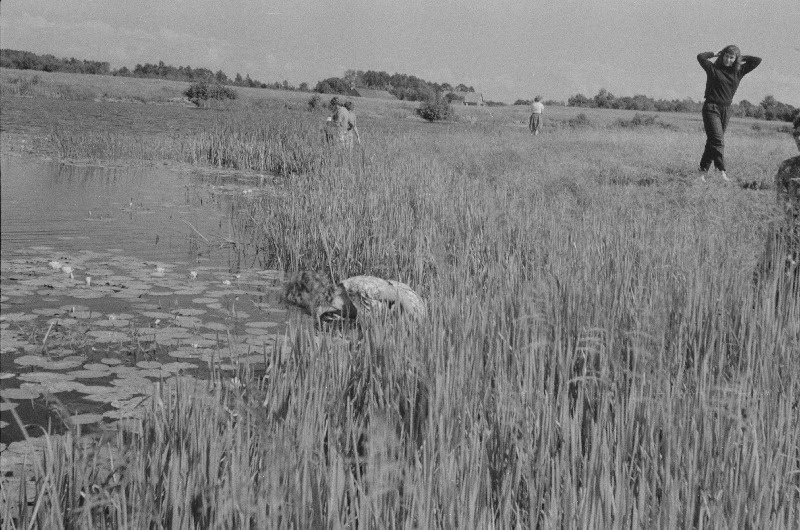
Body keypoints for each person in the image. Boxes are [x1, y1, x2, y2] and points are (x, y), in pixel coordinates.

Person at [696, 45, 761, 182]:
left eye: (732, 57)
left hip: (726, 110)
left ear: (735, 59)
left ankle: (701, 174)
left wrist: (740, 57)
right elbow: (701, 57)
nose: (728, 59)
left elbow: (757, 60)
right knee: (718, 141)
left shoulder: (739, 71)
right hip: (711, 108)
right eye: (726, 56)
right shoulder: (713, 68)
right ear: (722, 55)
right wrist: (714, 53)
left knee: (712, 142)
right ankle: (721, 171)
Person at [757, 114, 800, 298]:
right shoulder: (787, 168)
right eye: (797, 133)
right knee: (780, 293)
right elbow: (780, 211)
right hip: (791, 240)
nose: (799, 139)